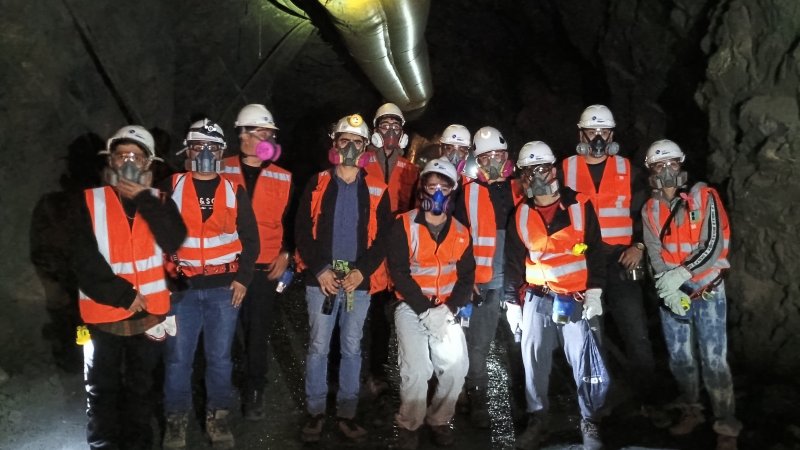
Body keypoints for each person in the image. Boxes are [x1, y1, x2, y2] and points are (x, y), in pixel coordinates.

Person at [70, 125, 186, 450]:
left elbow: (173, 239)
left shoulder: (161, 202)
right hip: (102, 315)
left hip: (148, 318)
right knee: (101, 387)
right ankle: (103, 444)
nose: (129, 162)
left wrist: (144, 200)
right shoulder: (88, 201)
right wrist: (124, 295)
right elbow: (81, 259)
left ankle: (138, 444)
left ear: (149, 163)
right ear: (112, 161)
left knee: (140, 387)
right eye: (122, 155)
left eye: (137, 156)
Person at [161, 119, 260, 449]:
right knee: (178, 359)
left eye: (212, 147)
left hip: (222, 289)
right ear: (187, 150)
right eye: (198, 147)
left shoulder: (234, 191)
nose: (205, 153)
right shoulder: (170, 187)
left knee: (219, 358)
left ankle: (218, 417)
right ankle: (176, 421)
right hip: (182, 289)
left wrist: (243, 279)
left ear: (221, 152)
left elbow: (250, 239)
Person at [504, 141, 608, 450]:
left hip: (574, 298)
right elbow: (512, 262)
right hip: (537, 298)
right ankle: (538, 419)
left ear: (554, 171)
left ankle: (590, 421)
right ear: (522, 177)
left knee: (584, 362)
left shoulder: (579, 205)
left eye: (542, 169)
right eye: (529, 171)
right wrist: (512, 302)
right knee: (533, 360)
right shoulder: (520, 214)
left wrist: (595, 291)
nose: (537, 176)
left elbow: (596, 251)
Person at [295, 113, 391, 443]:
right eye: (344, 141)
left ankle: (348, 414)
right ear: (334, 145)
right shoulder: (318, 182)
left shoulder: (378, 188)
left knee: (351, 348)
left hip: (357, 281)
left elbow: (384, 238)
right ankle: (316, 411)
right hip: (321, 279)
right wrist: (320, 269)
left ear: (366, 148)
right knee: (319, 346)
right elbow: (302, 231)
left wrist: (362, 271)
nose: (350, 147)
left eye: (357, 142)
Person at [641, 139, 740, 450]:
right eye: (660, 165)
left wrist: (681, 276)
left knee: (714, 360)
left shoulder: (705, 197)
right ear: (651, 171)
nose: (667, 170)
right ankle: (692, 410)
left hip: (708, 290)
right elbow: (654, 253)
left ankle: (726, 425)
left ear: (681, 164)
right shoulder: (650, 209)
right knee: (681, 358)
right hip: (674, 294)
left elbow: (711, 246)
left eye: (672, 164)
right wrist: (667, 287)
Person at [561, 105, 656, 405]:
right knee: (592, 332)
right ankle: (599, 401)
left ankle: (648, 397)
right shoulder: (564, 169)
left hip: (620, 261)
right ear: (581, 134)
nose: (598, 137)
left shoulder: (628, 169)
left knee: (635, 330)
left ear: (612, 134)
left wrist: (638, 246)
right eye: (592, 131)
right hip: (584, 263)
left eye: (604, 131)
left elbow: (646, 212)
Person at [387, 157, 475, 449]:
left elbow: (466, 278)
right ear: (422, 188)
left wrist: (447, 310)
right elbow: (398, 271)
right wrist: (425, 310)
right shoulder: (404, 224)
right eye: (431, 185)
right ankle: (409, 424)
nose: (437, 192)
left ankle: (439, 419)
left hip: (445, 308)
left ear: (452, 192)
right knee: (417, 369)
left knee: (456, 366)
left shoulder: (462, 232)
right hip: (412, 307)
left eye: (444, 186)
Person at [223, 104, 294, 421]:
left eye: (270, 134)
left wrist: (288, 252)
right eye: (261, 133)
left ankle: (254, 391)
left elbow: (294, 222)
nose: (267, 139)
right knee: (225, 331)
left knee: (257, 333)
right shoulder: (221, 168)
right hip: (226, 265)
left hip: (265, 268)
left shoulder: (284, 176)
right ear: (243, 134)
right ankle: (221, 386)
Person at [453, 125, 522, 428]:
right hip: (485, 280)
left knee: (522, 343)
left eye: (498, 154)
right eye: (486, 156)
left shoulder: (521, 187)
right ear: (476, 162)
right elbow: (457, 238)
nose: (493, 161)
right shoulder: (467, 193)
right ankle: (477, 395)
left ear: (508, 157)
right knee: (479, 342)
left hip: (519, 279)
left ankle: (524, 399)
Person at [362, 103, 420, 395]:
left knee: (387, 316)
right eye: (384, 126)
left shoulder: (412, 170)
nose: (390, 132)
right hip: (365, 251)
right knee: (357, 315)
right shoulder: (359, 163)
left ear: (403, 133)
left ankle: (377, 372)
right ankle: (352, 374)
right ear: (374, 131)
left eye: (396, 127)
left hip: (396, 255)